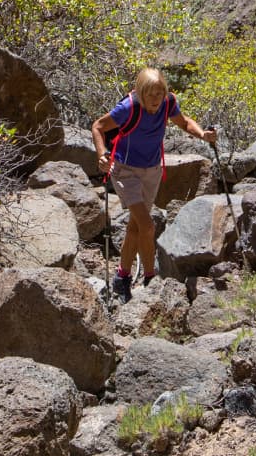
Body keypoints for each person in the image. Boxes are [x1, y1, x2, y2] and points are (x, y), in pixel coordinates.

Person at [91, 67, 216, 302]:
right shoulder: (129, 107)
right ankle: (150, 277)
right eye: (150, 94)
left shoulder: (168, 103)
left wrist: (203, 135)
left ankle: (122, 278)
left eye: (159, 93)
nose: (156, 99)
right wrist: (101, 155)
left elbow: (184, 122)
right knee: (147, 226)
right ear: (141, 92)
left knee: (136, 227)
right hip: (124, 170)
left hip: (152, 170)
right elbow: (98, 126)